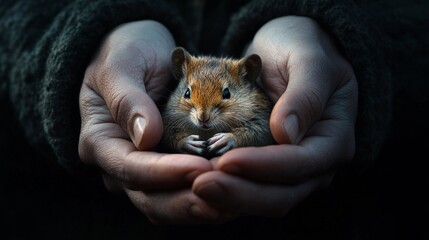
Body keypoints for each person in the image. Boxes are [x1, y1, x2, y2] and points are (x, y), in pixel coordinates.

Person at [1, 0, 427, 239]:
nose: (202, 115)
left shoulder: (259, 100)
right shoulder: (174, 108)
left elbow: (261, 129)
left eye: (222, 98)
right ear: (179, 82)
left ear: (246, 80)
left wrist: (349, 48)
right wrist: (81, 52)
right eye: (189, 98)